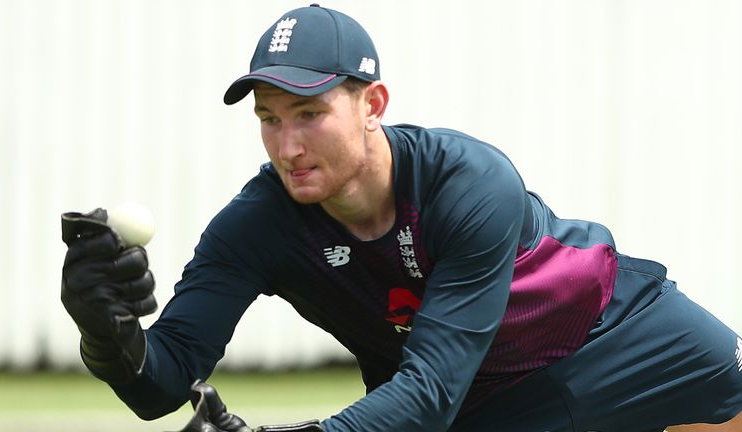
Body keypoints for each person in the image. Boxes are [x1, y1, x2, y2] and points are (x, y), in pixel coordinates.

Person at [60, 4, 742, 431]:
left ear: (373, 103)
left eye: (309, 114)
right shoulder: (256, 224)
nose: (287, 145)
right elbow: (161, 386)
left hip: (619, 335)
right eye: (268, 119)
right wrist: (103, 333)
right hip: (478, 405)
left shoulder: (467, 181)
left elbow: (431, 387)